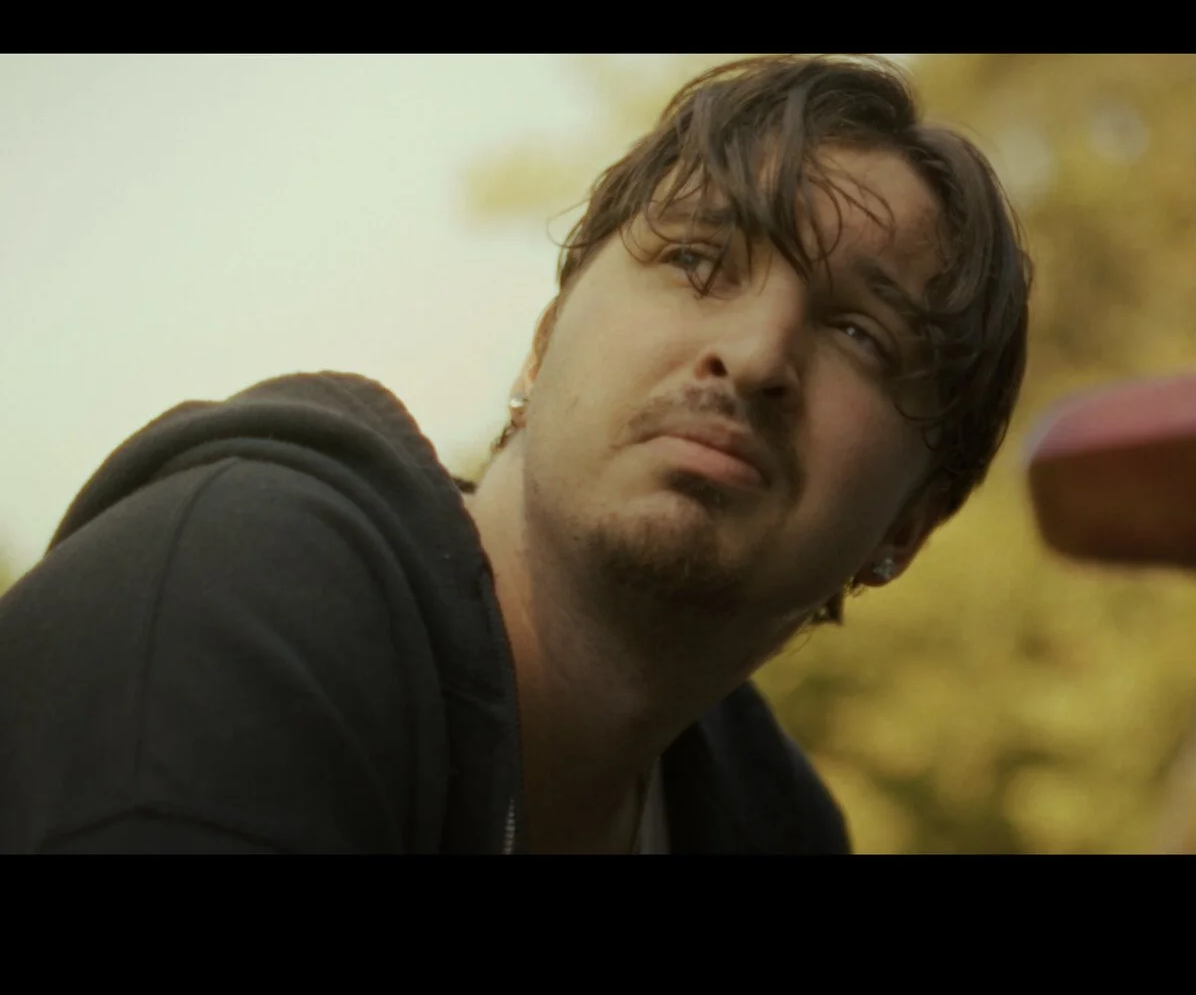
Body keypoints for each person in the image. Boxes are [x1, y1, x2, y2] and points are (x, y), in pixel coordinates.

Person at [0, 54, 1033, 853]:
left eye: (861, 335)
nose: (755, 353)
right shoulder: (236, 600)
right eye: (696, 259)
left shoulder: (771, 823)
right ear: (541, 349)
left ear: (908, 524)